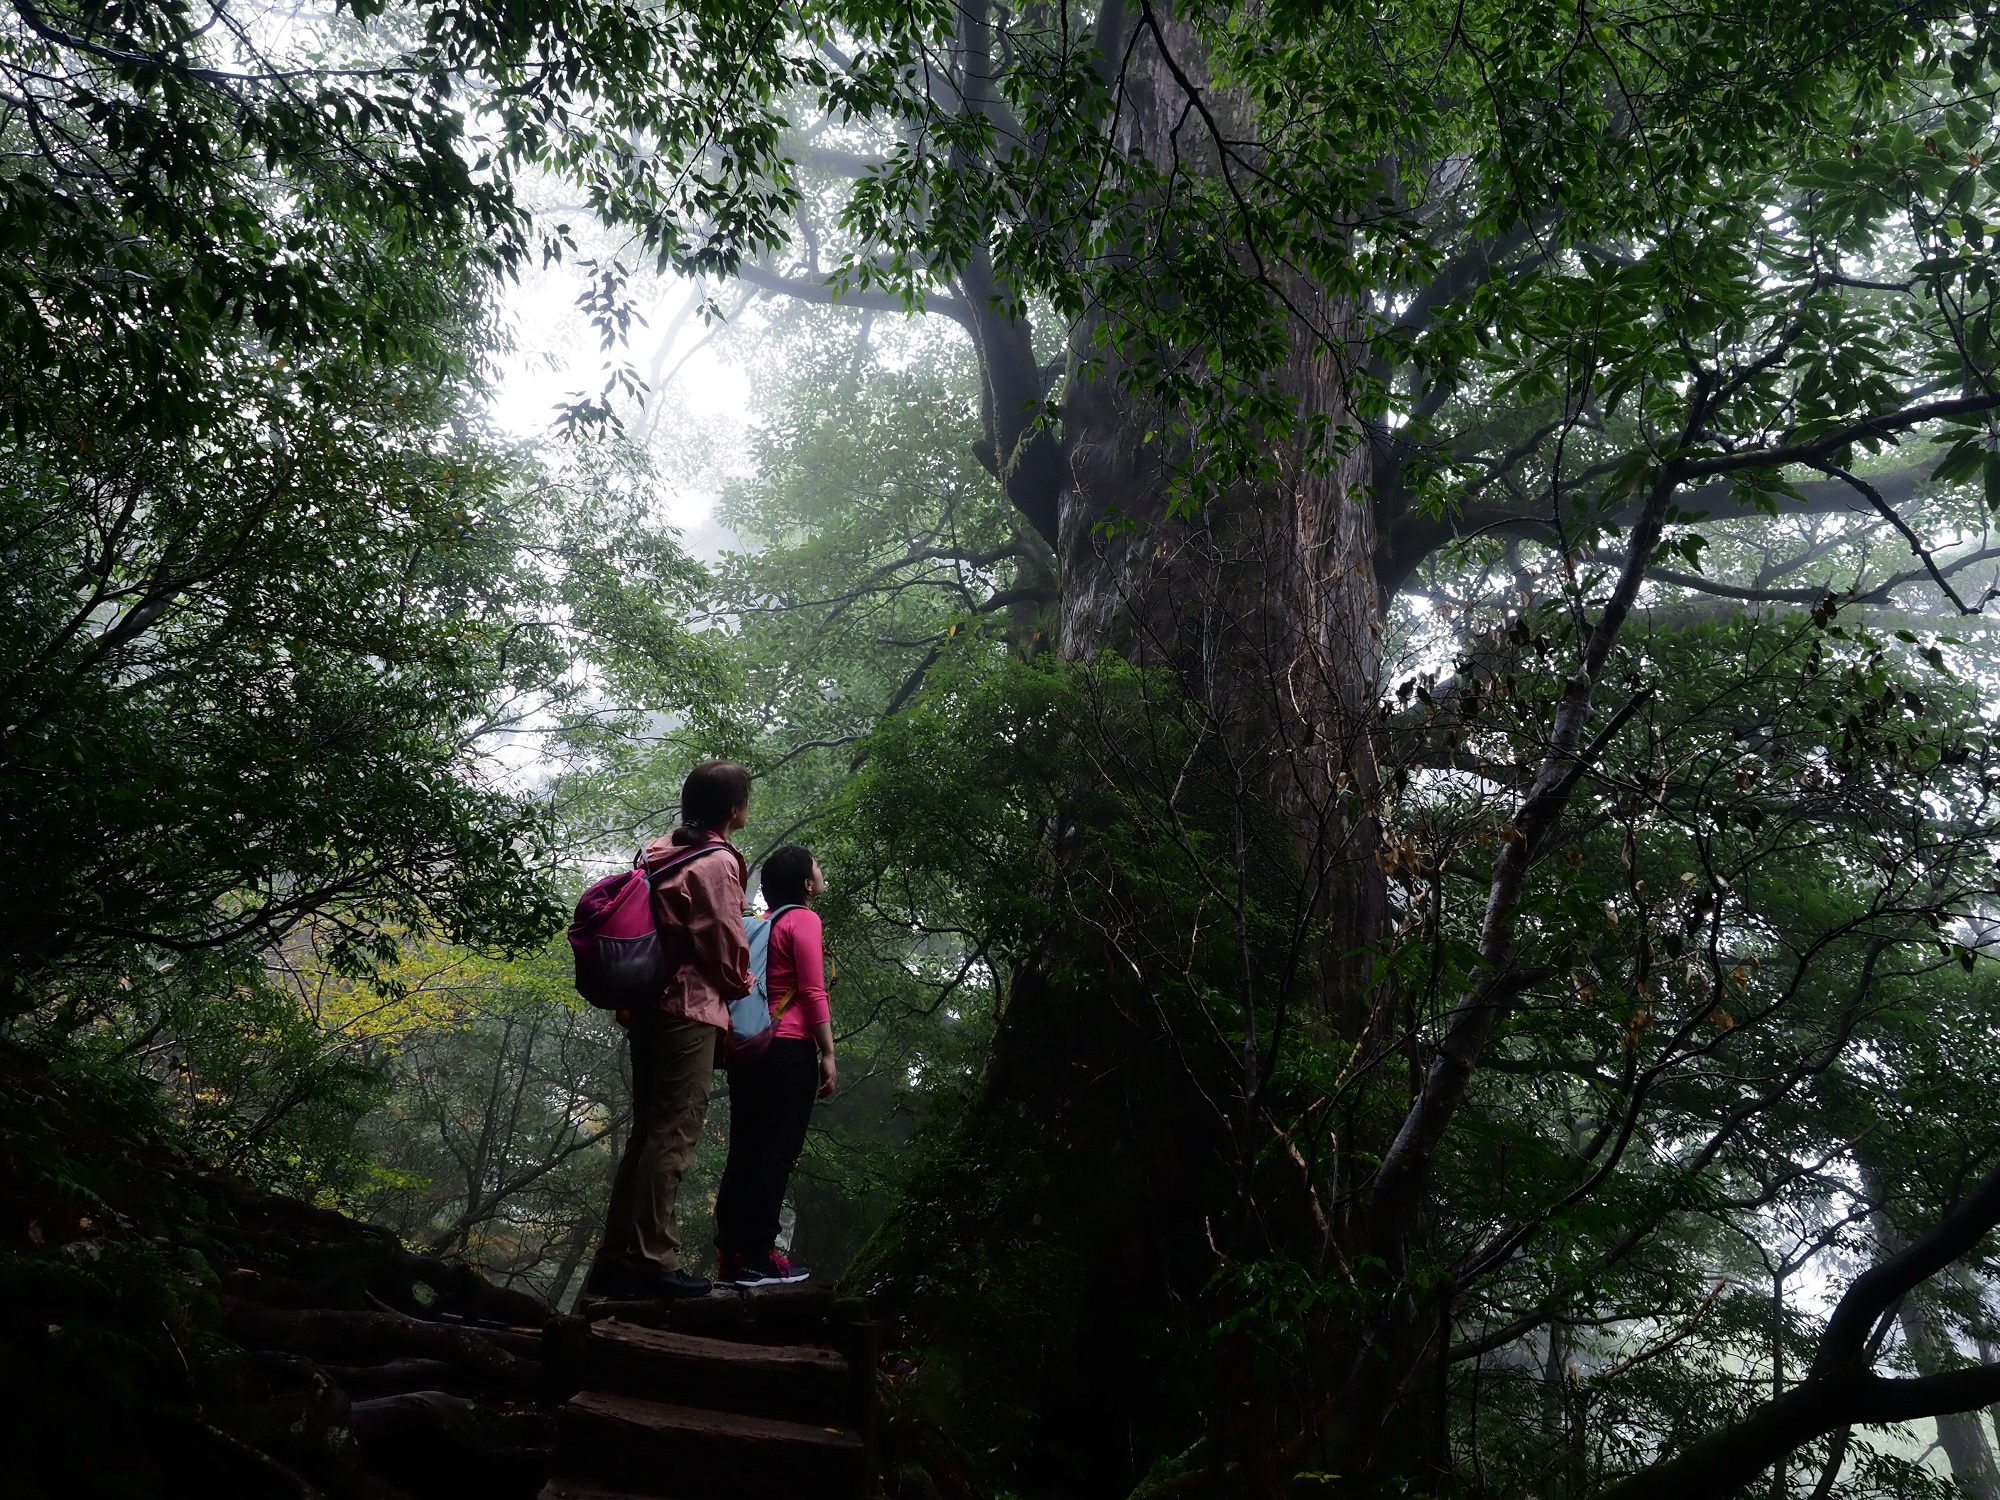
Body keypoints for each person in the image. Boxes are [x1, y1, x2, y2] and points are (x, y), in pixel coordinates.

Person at [584, 760, 753, 1300]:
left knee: (645, 1133)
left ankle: (615, 1258)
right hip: (690, 1009)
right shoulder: (717, 862)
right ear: (734, 810)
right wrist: (745, 984)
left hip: (649, 1005)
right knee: (674, 1132)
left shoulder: (662, 852)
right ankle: (653, 1258)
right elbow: (724, 944)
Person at [714, 843, 837, 1287]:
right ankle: (760, 1257)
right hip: (788, 1049)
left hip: (750, 1048)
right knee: (777, 1152)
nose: (821, 872)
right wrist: (828, 1052)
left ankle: (731, 1257)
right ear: (807, 884)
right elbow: (812, 991)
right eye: (817, 867)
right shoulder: (804, 920)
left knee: (744, 1149)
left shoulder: (758, 924)